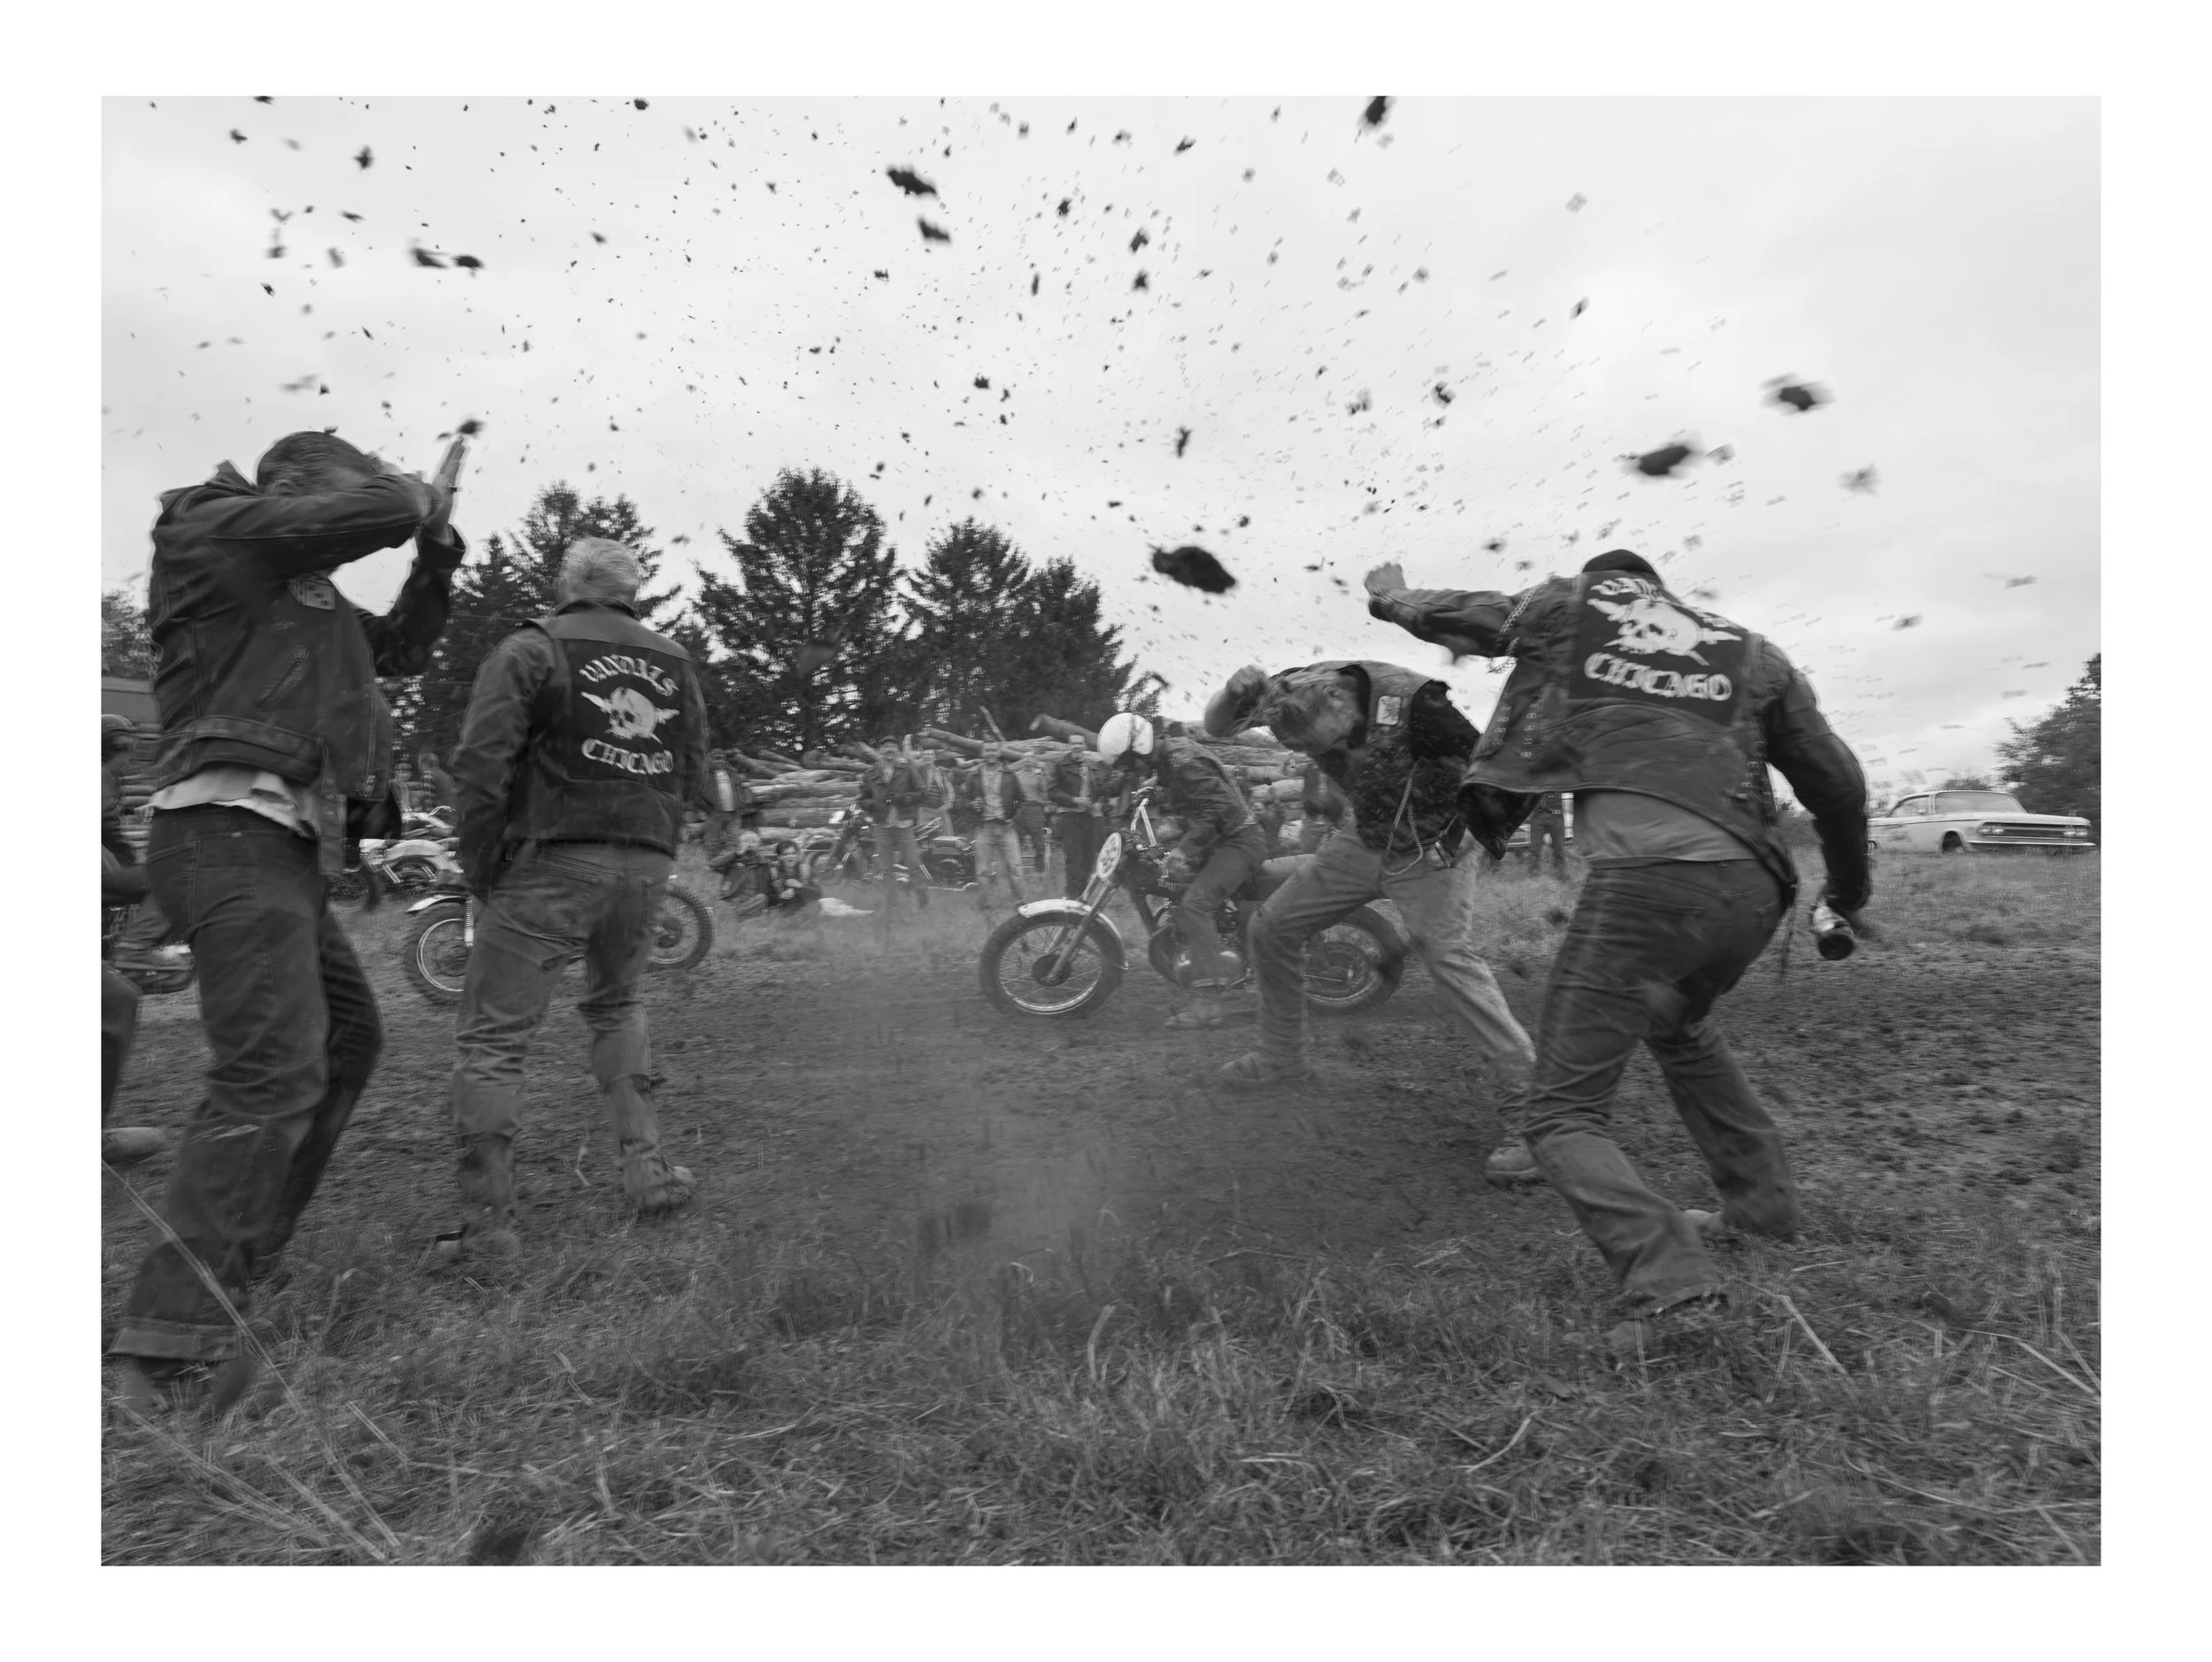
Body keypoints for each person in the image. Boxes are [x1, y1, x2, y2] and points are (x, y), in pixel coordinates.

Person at [1366, 549, 1871, 1342]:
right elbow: (1836, 782)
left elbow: (1471, 615)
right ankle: (1762, 1207)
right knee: (1680, 1027)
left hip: (1650, 885)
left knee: (1561, 1113)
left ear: (1601, 584)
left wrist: (1393, 598)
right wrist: (1845, 893)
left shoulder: (1574, 610)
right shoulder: (1752, 652)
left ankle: (1673, 1288)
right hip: (1754, 890)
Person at [111, 428, 466, 1411]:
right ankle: (166, 1350)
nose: (370, 501)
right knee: (270, 1071)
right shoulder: (211, 531)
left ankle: (241, 1256)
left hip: (280, 847)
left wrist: (437, 552)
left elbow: (400, 649)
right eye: (352, 485)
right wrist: (411, 500)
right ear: (302, 489)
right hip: (224, 831)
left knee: (348, 1042)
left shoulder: (305, 598)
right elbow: (376, 510)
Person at [438, 538, 710, 1268]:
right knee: (618, 1006)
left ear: (566, 585)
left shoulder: (530, 649)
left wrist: (481, 864)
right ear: (632, 591)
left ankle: (489, 1231)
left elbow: (480, 763)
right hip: (646, 864)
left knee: (494, 1040)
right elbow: (693, 771)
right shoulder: (674, 661)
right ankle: (648, 1172)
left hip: (552, 857)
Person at [1201, 659, 1539, 1119]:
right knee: (1270, 928)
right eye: (1304, 748)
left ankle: (1530, 1109)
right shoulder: (1285, 696)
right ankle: (1281, 1057)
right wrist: (1229, 693)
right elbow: (1217, 727)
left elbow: (1501, 773)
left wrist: (1468, 833)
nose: (1322, 753)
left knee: (1447, 957)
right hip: (1367, 837)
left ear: (1338, 699)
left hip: (1434, 846)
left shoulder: (1420, 705)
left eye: (1321, 742)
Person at [1094, 713, 1271, 1029]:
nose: (1131, 772)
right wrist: (1156, 792)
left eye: (1130, 764)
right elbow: (1192, 793)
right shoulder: (1171, 756)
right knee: (1182, 887)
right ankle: (1218, 953)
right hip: (1223, 840)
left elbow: (1221, 809)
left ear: (1140, 748)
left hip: (1239, 841)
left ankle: (1209, 1003)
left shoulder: (1183, 763)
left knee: (1195, 904)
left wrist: (1184, 849)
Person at [103, 714, 187, 975]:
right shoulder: (101, 775)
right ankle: (134, 949)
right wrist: (131, 857)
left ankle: (116, 947)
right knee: (171, 881)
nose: (130, 758)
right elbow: (105, 821)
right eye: (128, 749)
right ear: (115, 746)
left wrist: (129, 812)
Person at [858, 742, 931, 910]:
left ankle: (924, 902)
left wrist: (904, 798)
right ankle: (892, 904)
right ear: (880, 750)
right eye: (885, 747)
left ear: (897, 751)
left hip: (903, 824)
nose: (889, 750)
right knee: (886, 868)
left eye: (892, 747)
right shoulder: (871, 773)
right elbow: (862, 798)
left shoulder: (907, 769)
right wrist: (873, 804)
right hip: (882, 825)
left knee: (913, 863)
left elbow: (922, 791)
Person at [960, 741, 1028, 908]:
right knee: (982, 870)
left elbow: (1023, 800)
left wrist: (1015, 819)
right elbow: (963, 802)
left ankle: (1021, 903)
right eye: (987, 750)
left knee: (1015, 867)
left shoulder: (1010, 775)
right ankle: (984, 904)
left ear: (999, 753)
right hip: (985, 828)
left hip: (1006, 828)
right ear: (982, 753)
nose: (990, 753)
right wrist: (972, 804)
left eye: (993, 750)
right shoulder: (973, 775)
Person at [1049, 741, 1107, 898]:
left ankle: (1083, 896)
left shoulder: (1092, 766)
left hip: (1089, 818)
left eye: (1080, 743)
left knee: (1089, 858)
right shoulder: (1060, 766)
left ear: (1084, 747)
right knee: (1074, 858)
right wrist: (1074, 800)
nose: (1077, 746)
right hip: (1069, 817)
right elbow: (1052, 792)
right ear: (1069, 746)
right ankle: (1072, 896)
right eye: (1074, 743)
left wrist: (1099, 802)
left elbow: (1102, 790)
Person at [700, 749, 750, 861]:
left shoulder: (732, 772)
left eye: (722, 758)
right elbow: (697, 794)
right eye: (716, 758)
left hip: (733, 814)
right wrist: (707, 809)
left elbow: (739, 789)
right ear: (710, 759)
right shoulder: (704, 774)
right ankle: (713, 864)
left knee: (734, 841)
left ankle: (732, 864)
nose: (719, 761)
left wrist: (740, 806)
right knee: (713, 842)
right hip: (714, 815)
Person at [1010, 749, 1052, 875]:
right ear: (1022, 760)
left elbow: (1045, 790)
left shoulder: (1038, 775)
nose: (1028, 760)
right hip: (1020, 807)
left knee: (1038, 839)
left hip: (1035, 808)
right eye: (1026, 757)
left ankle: (1040, 870)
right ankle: (1015, 869)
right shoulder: (1017, 775)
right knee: (1017, 839)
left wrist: (1044, 773)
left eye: (1031, 758)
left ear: (1034, 760)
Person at [1296, 760, 1347, 853]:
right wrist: (1285, 764)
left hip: (1334, 807)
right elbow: (1289, 771)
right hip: (1314, 807)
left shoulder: (1339, 767)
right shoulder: (1309, 767)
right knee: (1310, 836)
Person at [1523, 791, 1568, 877]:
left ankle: (1560, 872)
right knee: (1534, 847)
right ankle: (1533, 873)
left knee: (1559, 847)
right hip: (1538, 815)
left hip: (1556, 815)